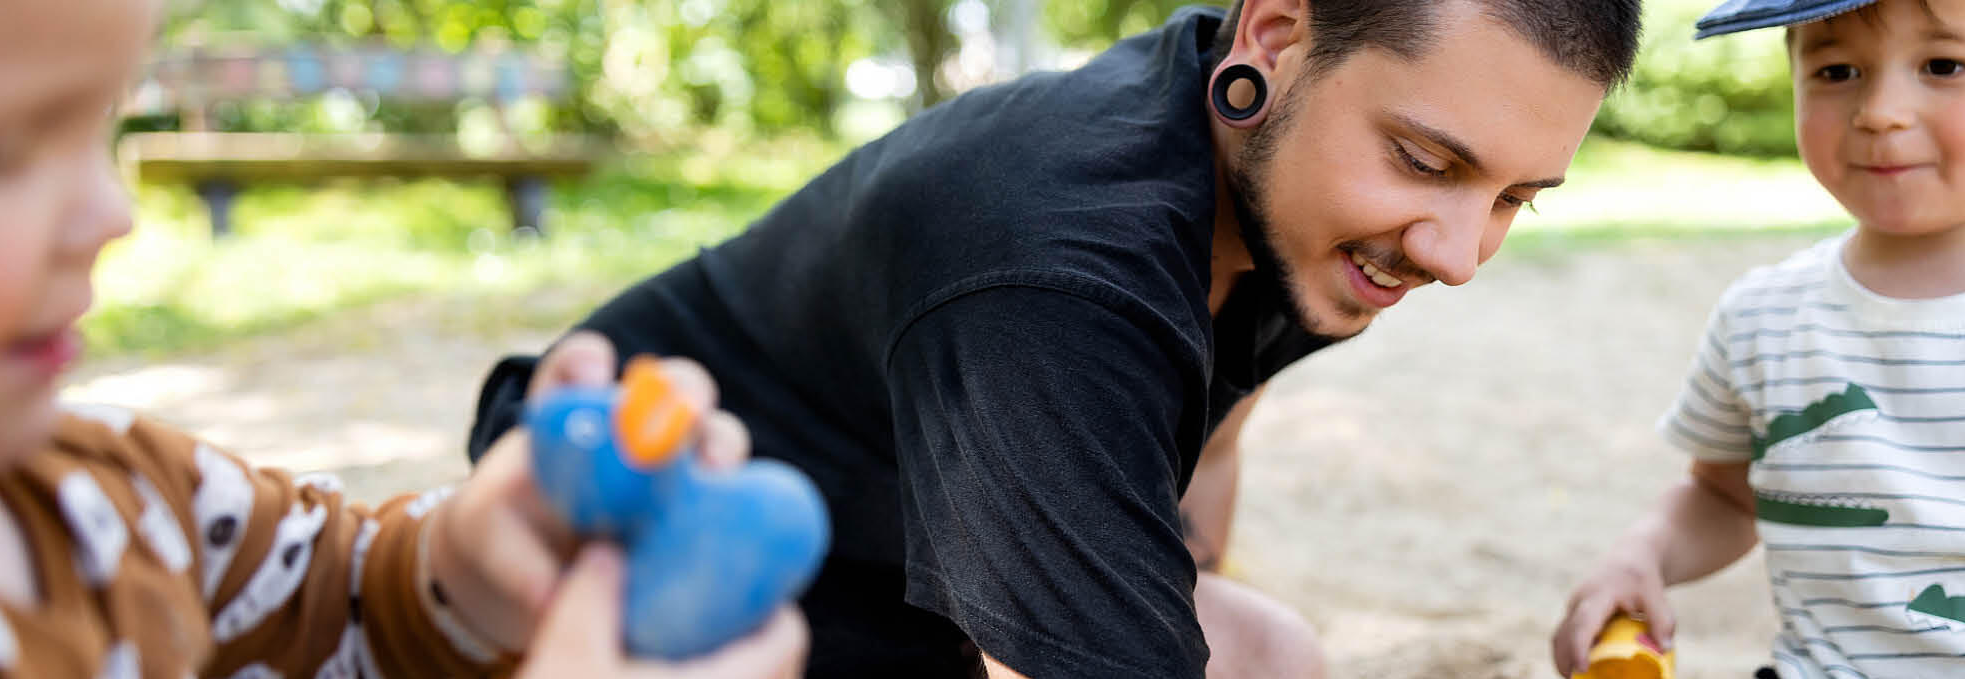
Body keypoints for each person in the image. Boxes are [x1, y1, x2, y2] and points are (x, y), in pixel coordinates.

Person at [468, 0, 1643, 676]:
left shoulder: (1290, 191)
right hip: (653, 521)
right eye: (1427, 162)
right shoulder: (1058, 275)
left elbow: (1216, 421)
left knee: (1266, 650)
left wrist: (1151, 587)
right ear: (1276, 38)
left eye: (1511, 197)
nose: (1455, 252)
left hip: (897, 522)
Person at [0, 1, 804, 676]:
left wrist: (473, 563)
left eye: (101, 123)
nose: (114, 212)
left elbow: (331, 594)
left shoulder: (122, 498)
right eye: (6, 149)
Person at [1551, 0, 1965, 676]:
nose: (1880, 111)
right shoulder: (1765, 316)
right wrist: (1644, 553)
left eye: (1943, 65)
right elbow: (1727, 493)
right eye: (1837, 70)